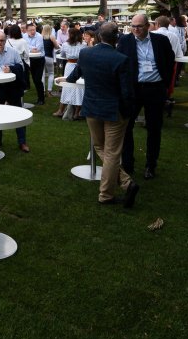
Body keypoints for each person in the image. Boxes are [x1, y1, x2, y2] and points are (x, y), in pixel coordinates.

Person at [68, 22, 139, 207]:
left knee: (101, 148)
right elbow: (127, 91)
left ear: (98, 36)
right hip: (114, 111)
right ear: (117, 38)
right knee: (111, 152)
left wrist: (65, 79)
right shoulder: (121, 59)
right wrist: (129, 112)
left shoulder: (85, 53)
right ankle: (110, 192)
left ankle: (124, 184)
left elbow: (74, 75)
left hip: (92, 108)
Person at [118, 13, 175, 179]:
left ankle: (151, 165)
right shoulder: (125, 41)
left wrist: (164, 84)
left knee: (154, 128)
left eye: (139, 26)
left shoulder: (160, 41)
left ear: (148, 26)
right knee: (126, 126)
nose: (136, 29)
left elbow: (169, 61)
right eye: (133, 26)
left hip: (155, 89)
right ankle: (128, 164)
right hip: (133, 89)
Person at [0, 30, 30, 152]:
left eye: (2, 40)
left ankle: (22, 141)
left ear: (5, 41)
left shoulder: (13, 52)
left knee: (18, 114)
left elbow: (21, 67)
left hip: (12, 87)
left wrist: (11, 68)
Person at [54, 29, 89, 119]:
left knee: (67, 86)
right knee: (79, 87)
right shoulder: (83, 45)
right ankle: (77, 112)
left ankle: (61, 110)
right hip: (80, 66)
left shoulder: (66, 45)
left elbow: (62, 55)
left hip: (70, 65)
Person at [25, 21, 46, 105]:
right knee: (34, 79)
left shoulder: (39, 36)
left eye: (34, 30)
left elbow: (37, 48)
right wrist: (31, 49)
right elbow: (25, 46)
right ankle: (40, 97)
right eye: (30, 30)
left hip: (39, 59)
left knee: (38, 79)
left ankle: (41, 99)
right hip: (30, 60)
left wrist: (29, 48)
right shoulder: (24, 36)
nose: (33, 31)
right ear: (26, 30)